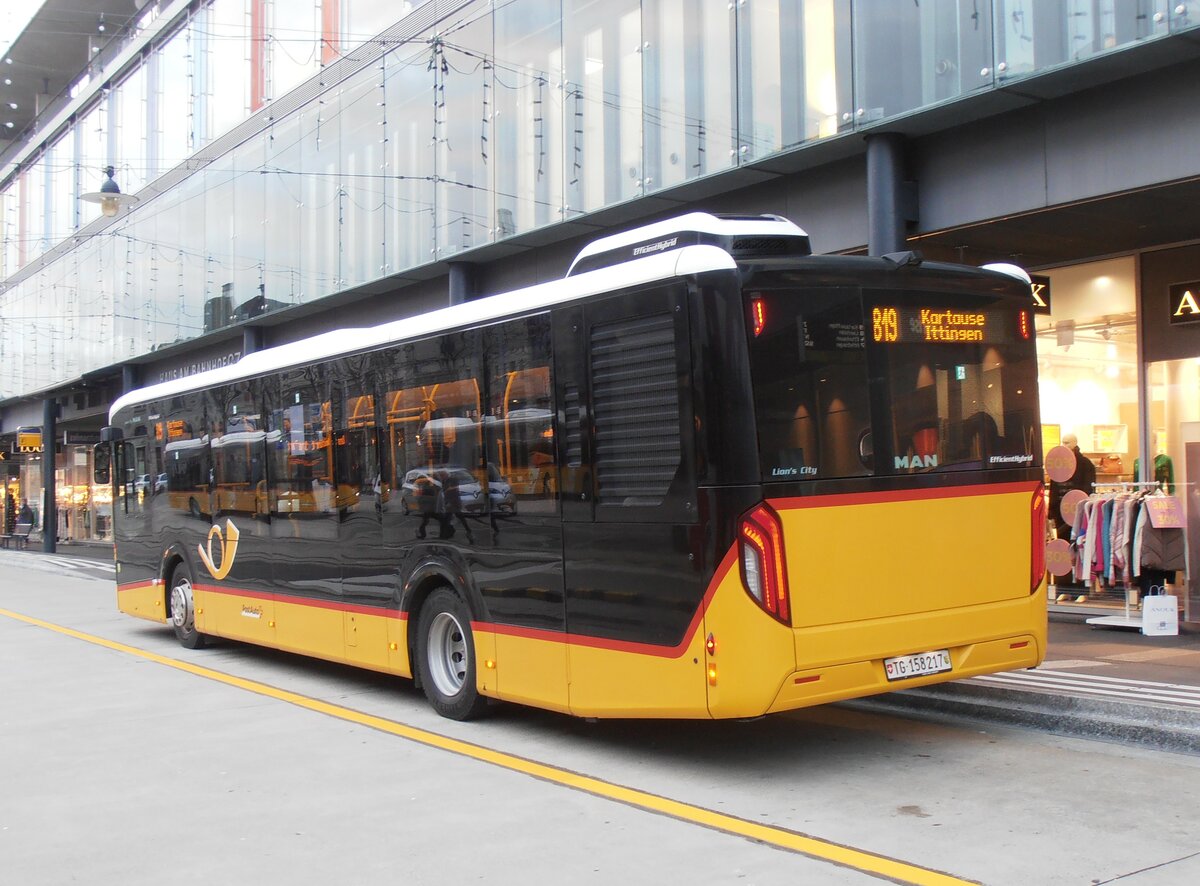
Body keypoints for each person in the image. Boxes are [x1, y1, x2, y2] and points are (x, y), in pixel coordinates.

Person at [1048, 433, 1095, 596]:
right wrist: (1051, 515)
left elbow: (1088, 489)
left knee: (1080, 549)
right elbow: (1054, 490)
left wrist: (1082, 509)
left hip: (1078, 513)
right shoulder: (1057, 464)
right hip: (1061, 516)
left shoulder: (1085, 464)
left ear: (1075, 443)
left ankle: (1082, 590)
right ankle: (1064, 588)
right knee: (1062, 550)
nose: (1065, 444)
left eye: (1067, 442)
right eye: (1063, 442)